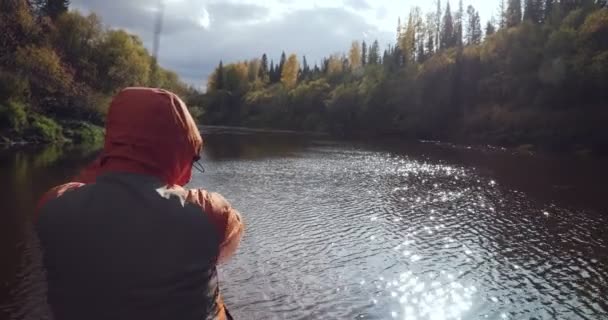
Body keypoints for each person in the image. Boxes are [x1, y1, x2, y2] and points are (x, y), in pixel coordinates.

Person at [35, 87, 244, 320]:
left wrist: (113, 164)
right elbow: (224, 251)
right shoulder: (211, 213)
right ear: (181, 151)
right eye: (192, 158)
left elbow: (83, 187)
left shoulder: (52, 207)